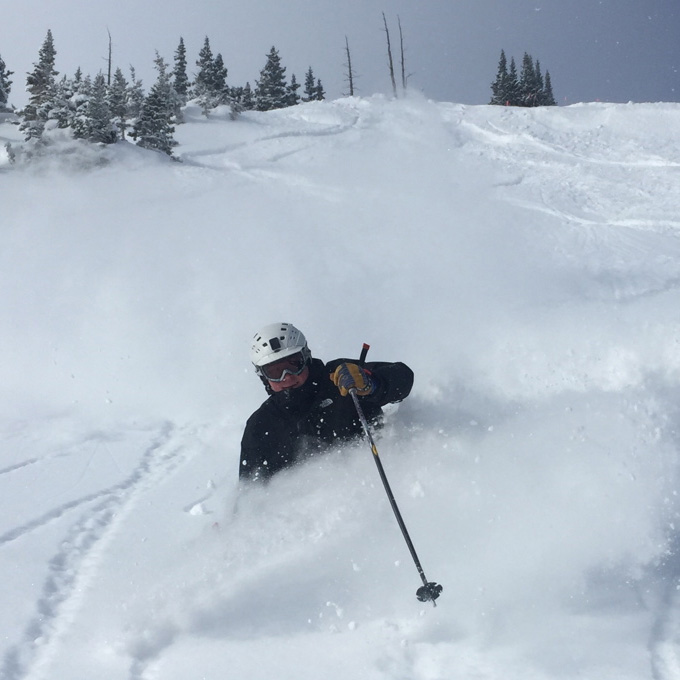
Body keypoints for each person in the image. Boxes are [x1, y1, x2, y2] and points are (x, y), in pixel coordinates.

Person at [239, 322, 414, 482]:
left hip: (377, 479)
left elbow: (403, 378)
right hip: (314, 511)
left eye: (293, 365)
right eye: (275, 372)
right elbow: (250, 491)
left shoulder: (341, 378)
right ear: (263, 377)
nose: (287, 377)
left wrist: (371, 383)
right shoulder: (261, 425)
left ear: (306, 357)